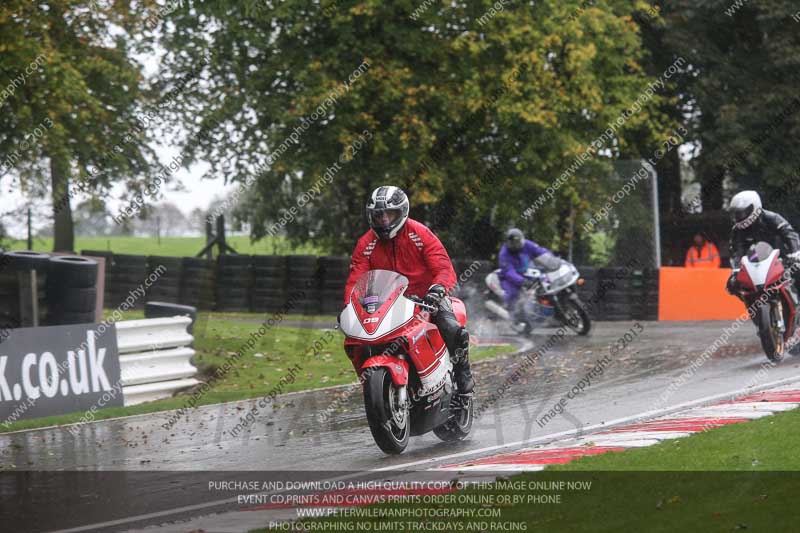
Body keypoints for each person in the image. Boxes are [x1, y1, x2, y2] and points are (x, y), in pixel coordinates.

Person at [343, 186, 474, 393]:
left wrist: (438, 288)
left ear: (402, 212)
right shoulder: (365, 243)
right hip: (385, 302)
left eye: (390, 214)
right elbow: (356, 278)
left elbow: (442, 266)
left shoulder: (420, 233)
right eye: (379, 215)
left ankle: (462, 372)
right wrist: (350, 305)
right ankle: (374, 384)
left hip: (427, 296)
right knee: (356, 338)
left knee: (451, 326)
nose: (384, 220)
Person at [726, 190, 800, 295]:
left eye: (742, 212)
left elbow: (789, 233)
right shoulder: (737, 230)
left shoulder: (772, 218)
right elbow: (735, 251)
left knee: (797, 271)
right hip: (755, 263)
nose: (739, 217)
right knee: (732, 285)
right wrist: (736, 269)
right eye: (736, 213)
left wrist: (795, 252)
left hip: (782, 259)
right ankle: (752, 305)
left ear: (755, 207)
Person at [498, 228, 558, 319]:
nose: (518, 245)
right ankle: (511, 312)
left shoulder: (527, 244)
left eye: (519, 242)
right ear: (509, 243)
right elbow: (509, 272)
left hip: (527, 272)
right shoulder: (504, 254)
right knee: (513, 293)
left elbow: (540, 251)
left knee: (545, 283)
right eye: (515, 243)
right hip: (510, 278)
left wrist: (551, 259)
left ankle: (547, 309)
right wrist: (522, 281)